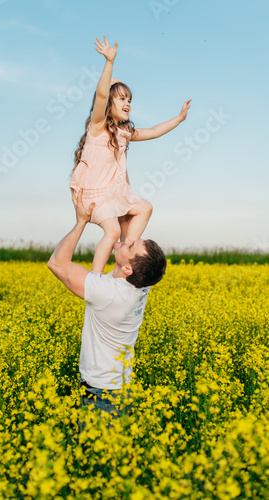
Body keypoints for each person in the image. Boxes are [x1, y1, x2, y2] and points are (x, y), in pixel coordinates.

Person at [70, 35, 191, 273]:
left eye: (130, 100)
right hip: (94, 192)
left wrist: (179, 118)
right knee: (112, 231)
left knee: (145, 208)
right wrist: (109, 63)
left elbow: (154, 131)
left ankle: (123, 258)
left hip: (114, 190)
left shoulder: (124, 133)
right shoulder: (97, 127)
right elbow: (102, 95)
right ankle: (95, 278)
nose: (128, 104)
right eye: (122, 99)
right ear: (108, 105)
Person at [47, 189, 166, 417]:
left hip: (103, 396)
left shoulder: (109, 293)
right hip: (119, 389)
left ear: (128, 268)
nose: (126, 241)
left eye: (130, 246)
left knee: (97, 453)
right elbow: (128, 216)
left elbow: (56, 263)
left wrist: (81, 221)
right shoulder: (141, 282)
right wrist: (118, 163)